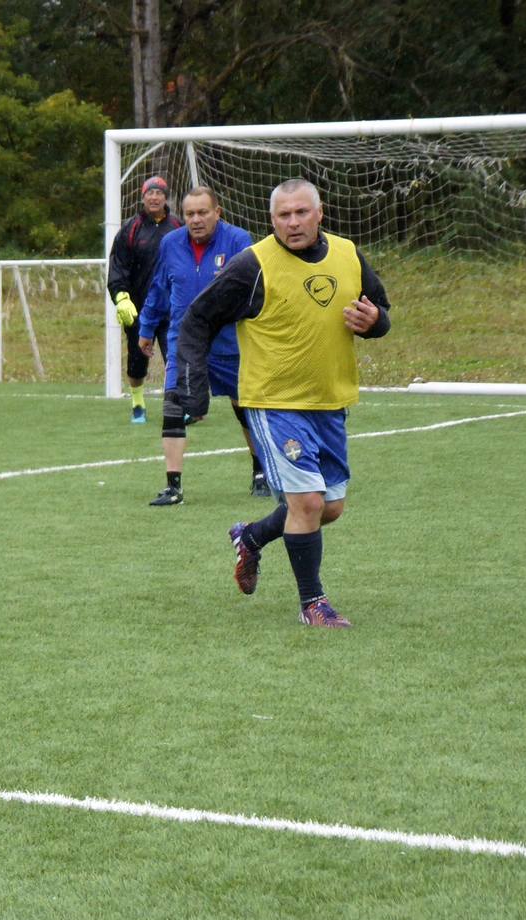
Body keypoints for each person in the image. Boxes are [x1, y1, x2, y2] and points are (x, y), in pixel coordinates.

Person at [170, 178, 391, 627]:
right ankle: (313, 604)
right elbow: (197, 320)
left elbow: (380, 311)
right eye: (283, 215)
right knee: (308, 503)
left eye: (301, 213)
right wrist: (192, 388)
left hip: (329, 401)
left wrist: (375, 321)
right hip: (273, 403)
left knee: (329, 507)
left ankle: (250, 537)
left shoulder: (347, 254)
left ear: (320, 212)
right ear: (271, 220)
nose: (293, 222)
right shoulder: (252, 265)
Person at [138, 187, 263, 505]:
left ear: (217, 213)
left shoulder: (238, 240)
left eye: (203, 212)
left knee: (245, 409)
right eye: (190, 214)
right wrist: (147, 327)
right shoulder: (170, 243)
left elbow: (256, 291)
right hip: (185, 342)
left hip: (229, 342)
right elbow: (159, 287)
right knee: (173, 408)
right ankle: (173, 486)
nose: (196, 219)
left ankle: (260, 472)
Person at [106, 175, 179, 423]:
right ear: (143, 196)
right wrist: (121, 297)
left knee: (176, 358)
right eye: (150, 193)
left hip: (172, 309)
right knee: (137, 362)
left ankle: (178, 405)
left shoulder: (179, 226)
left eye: (159, 193)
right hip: (140, 310)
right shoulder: (130, 229)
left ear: (165, 197)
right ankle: (138, 404)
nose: (155, 197)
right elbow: (117, 266)